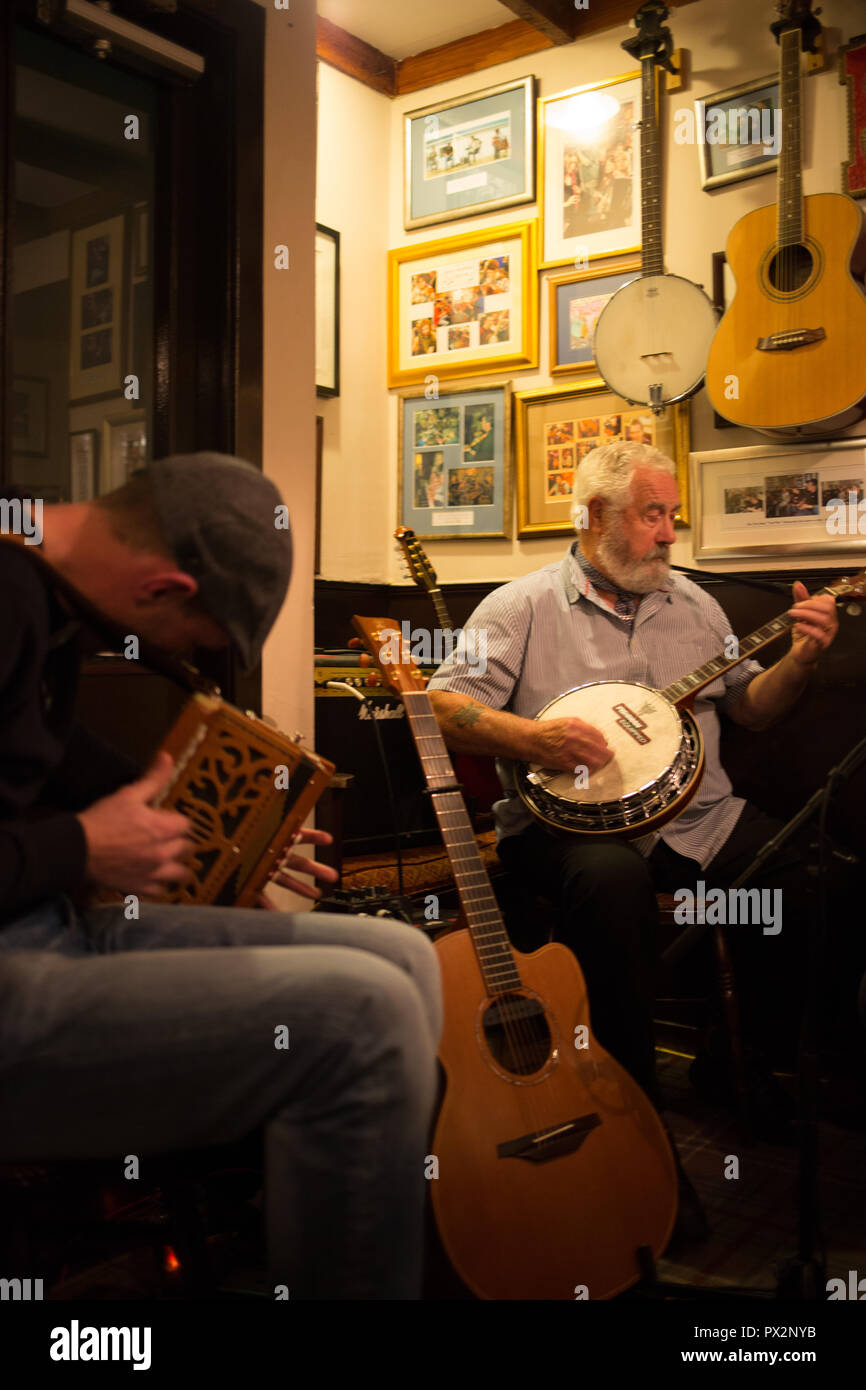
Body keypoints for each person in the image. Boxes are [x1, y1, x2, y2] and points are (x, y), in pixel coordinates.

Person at [0, 455, 442, 1299]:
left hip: (43, 922)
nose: (179, 665)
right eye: (192, 646)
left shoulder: (39, 583)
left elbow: (45, 758)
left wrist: (219, 832)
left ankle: (307, 1230)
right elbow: (69, 826)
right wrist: (84, 849)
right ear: (165, 589)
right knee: (364, 1015)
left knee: (402, 958)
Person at [427, 439, 853, 1163]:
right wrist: (535, 741)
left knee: (820, 876)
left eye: (672, 515)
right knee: (612, 886)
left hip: (699, 818)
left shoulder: (694, 602)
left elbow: (749, 708)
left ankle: (737, 1058)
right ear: (594, 515)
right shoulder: (519, 606)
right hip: (570, 829)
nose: (667, 534)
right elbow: (439, 705)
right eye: (651, 515)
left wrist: (802, 660)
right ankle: (634, 1116)